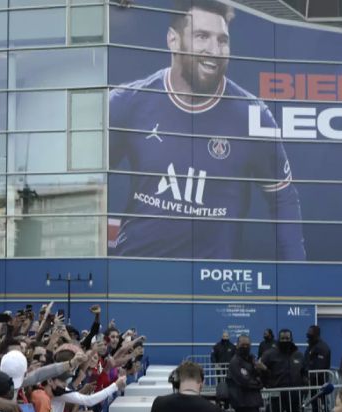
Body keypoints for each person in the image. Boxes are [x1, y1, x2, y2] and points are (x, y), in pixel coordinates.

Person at [108, 0, 305, 261]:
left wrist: (295, 280)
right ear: (173, 40)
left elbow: (284, 201)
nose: (214, 50)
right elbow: (87, 185)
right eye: (202, 36)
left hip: (215, 287)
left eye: (222, 40)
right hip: (138, 276)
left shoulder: (253, 116)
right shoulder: (127, 102)